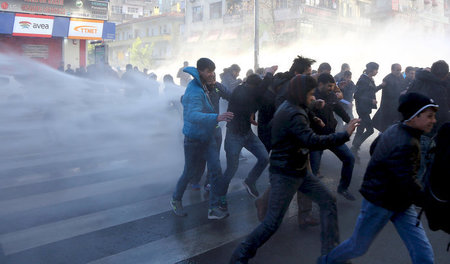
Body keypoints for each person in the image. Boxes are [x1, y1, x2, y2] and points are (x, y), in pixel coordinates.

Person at [230, 75, 360, 263]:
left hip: (297, 169)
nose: (312, 97)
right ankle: (239, 257)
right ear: (301, 93)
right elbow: (311, 141)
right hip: (286, 173)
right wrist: (344, 134)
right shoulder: (293, 113)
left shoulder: (293, 106)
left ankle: (331, 255)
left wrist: (314, 107)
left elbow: (303, 115)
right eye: (310, 94)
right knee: (271, 223)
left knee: (328, 201)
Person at [318, 92, 437, 264]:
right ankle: (326, 261)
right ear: (413, 116)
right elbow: (407, 182)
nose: (433, 121)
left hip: (400, 202)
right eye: (429, 116)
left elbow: (375, 148)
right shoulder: (406, 142)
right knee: (357, 246)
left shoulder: (397, 128)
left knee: (423, 253)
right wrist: (431, 203)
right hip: (380, 201)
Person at [170, 58, 234, 220]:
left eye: (213, 71)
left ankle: (213, 209)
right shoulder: (194, 90)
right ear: (200, 71)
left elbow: (227, 94)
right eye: (209, 71)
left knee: (215, 170)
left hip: (208, 136)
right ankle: (176, 199)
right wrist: (216, 117)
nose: (212, 74)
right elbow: (192, 115)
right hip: (194, 138)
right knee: (189, 172)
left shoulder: (208, 86)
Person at [220, 69, 277, 212]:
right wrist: (269, 74)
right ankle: (221, 199)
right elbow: (257, 93)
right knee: (231, 169)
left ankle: (250, 181)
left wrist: (251, 115)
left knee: (264, 157)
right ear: (251, 86)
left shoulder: (251, 93)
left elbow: (254, 102)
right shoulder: (241, 90)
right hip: (234, 135)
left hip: (247, 133)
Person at [310, 73, 356, 201]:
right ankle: (314, 198)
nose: (332, 88)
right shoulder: (312, 97)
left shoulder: (331, 96)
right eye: (329, 86)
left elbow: (340, 110)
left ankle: (343, 188)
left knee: (349, 159)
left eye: (333, 86)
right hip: (316, 138)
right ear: (320, 84)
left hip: (331, 135)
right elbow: (307, 112)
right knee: (313, 172)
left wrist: (351, 121)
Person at [351, 62, 384, 163]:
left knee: (360, 129)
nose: (377, 72)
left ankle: (353, 152)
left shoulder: (369, 79)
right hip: (362, 109)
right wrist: (370, 101)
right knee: (370, 130)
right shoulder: (362, 80)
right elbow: (357, 95)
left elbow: (372, 91)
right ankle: (354, 147)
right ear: (371, 69)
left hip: (365, 109)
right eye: (376, 70)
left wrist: (381, 86)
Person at [372, 63, 405, 133]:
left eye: (400, 70)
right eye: (397, 70)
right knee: (385, 126)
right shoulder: (387, 78)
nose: (399, 72)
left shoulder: (401, 77)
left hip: (397, 106)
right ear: (392, 70)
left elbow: (403, 86)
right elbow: (390, 93)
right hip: (388, 106)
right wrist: (400, 93)